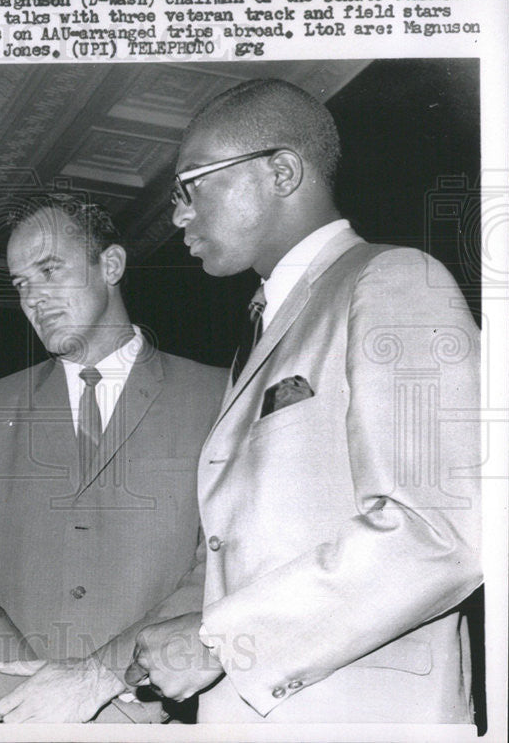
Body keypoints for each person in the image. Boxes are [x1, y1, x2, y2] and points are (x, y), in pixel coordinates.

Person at [126, 79, 482, 723]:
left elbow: (441, 528)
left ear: (282, 170)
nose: (178, 214)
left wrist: (222, 641)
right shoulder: (265, 326)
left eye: (191, 186)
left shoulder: (397, 279)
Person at [0, 197, 227, 723]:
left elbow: (224, 559)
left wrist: (99, 678)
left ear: (110, 266)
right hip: (18, 714)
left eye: (49, 270)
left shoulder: (217, 394)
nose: (34, 298)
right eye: (21, 284)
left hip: (156, 710)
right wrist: (17, 699)